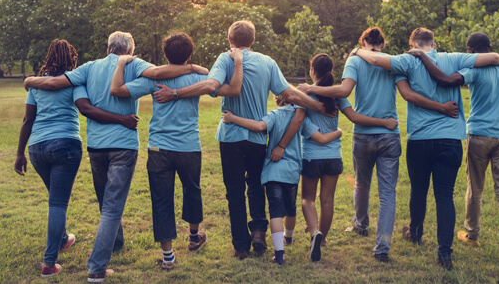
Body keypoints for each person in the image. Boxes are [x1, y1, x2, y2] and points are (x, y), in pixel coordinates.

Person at [24, 31, 205, 282]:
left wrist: (30, 81)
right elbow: (159, 73)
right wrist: (194, 67)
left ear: (108, 47)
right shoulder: (134, 63)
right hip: (123, 144)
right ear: (130, 50)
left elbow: (55, 84)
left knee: (104, 202)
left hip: (96, 146)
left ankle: (116, 242)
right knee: (112, 208)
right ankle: (96, 268)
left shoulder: (88, 68)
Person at [152, 20, 327, 260]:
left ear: (230, 40)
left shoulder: (225, 59)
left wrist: (175, 93)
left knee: (234, 191)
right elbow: (289, 93)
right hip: (257, 136)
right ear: (253, 40)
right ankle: (258, 232)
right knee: (256, 185)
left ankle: (240, 246)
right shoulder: (267, 62)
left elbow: (210, 85)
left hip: (231, 136)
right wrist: (318, 105)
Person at [297, 29, 459, 263]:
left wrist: (310, 89)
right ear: (383, 44)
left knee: (362, 184)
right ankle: (382, 247)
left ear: (362, 42)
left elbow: (343, 91)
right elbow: (406, 93)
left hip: (363, 135)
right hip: (389, 135)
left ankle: (361, 224)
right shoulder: (392, 62)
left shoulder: (354, 60)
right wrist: (440, 106)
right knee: (387, 193)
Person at [353, 27, 499, 270]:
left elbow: (374, 58)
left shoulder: (408, 60)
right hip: (450, 140)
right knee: (444, 196)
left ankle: (415, 232)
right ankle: (445, 253)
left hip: (421, 139)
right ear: (434, 45)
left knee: (418, 190)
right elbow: (497, 58)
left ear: (412, 45)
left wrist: (356, 50)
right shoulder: (454, 58)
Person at [109, 32, 244, 270]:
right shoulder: (197, 76)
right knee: (192, 191)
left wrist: (121, 65)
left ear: (164, 54)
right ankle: (193, 237)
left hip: (159, 148)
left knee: (161, 199)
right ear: (189, 54)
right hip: (189, 146)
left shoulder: (154, 78)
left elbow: (118, 90)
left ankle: (168, 256)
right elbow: (227, 88)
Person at [15, 39, 139, 278]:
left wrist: (20, 153)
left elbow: (27, 119)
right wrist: (122, 118)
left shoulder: (37, 85)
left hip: (37, 148)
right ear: (71, 59)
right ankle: (49, 263)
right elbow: (85, 108)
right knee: (58, 203)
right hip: (65, 146)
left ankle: (63, 239)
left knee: (55, 198)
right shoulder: (75, 80)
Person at [407, 32, 499, 270]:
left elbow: (445, 80)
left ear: (471, 51)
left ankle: (472, 234)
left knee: (475, 187)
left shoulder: (474, 71)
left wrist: (421, 56)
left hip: (479, 135)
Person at [221, 95, 342, 266]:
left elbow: (259, 126)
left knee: (275, 212)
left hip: (272, 172)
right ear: (295, 101)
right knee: (290, 210)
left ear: (277, 101)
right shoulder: (301, 118)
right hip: (291, 173)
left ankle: (279, 254)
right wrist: (339, 132)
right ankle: (289, 238)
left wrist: (232, 118)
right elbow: (320, 138)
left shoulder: (274, 114)